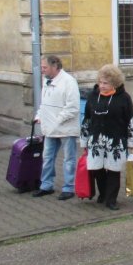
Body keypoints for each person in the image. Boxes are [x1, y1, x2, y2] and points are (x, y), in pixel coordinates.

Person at [80, 64, 133, 210]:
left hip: (116, 141)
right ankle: (103, 193)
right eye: (100, 82)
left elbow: (130, 120)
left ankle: (111, 199)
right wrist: (84, 140)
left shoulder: (124, 98)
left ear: (114, 83)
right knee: (97, 168)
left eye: (105, 83)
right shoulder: (93, 96)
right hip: (96, 141)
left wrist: (132, 141)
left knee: (113, 170)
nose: (101, 85)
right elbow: (87, 119)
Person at [33, 55, 80, 199]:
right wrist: (39, 116)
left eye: (44, 67)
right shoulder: (47, 81)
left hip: (66, 128)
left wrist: (57, 120)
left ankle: (69, 187)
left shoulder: (69, 82)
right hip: (50, 129)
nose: (42, 70)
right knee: (47, 157)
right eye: (41, 67)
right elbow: (44, 104)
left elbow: (73, 108)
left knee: (69, 159)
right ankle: (46, 185)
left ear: (55, 66)